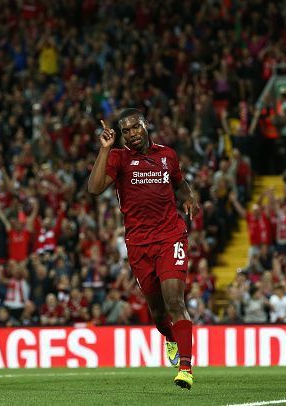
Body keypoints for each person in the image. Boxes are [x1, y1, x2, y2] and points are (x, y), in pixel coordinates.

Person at [87, 108, 199, 390]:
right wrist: (104, 149)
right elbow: (94, 187)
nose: (131, 134)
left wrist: (189, 196)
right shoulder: (119, 158)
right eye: (125, 131)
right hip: (138, 244)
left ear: (145, 126)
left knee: (175, 301)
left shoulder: (167, 155)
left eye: (135, 128)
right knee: (159, 314)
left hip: (170, 235)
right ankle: (170, 338)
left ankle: (186, 368)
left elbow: (178, 181)